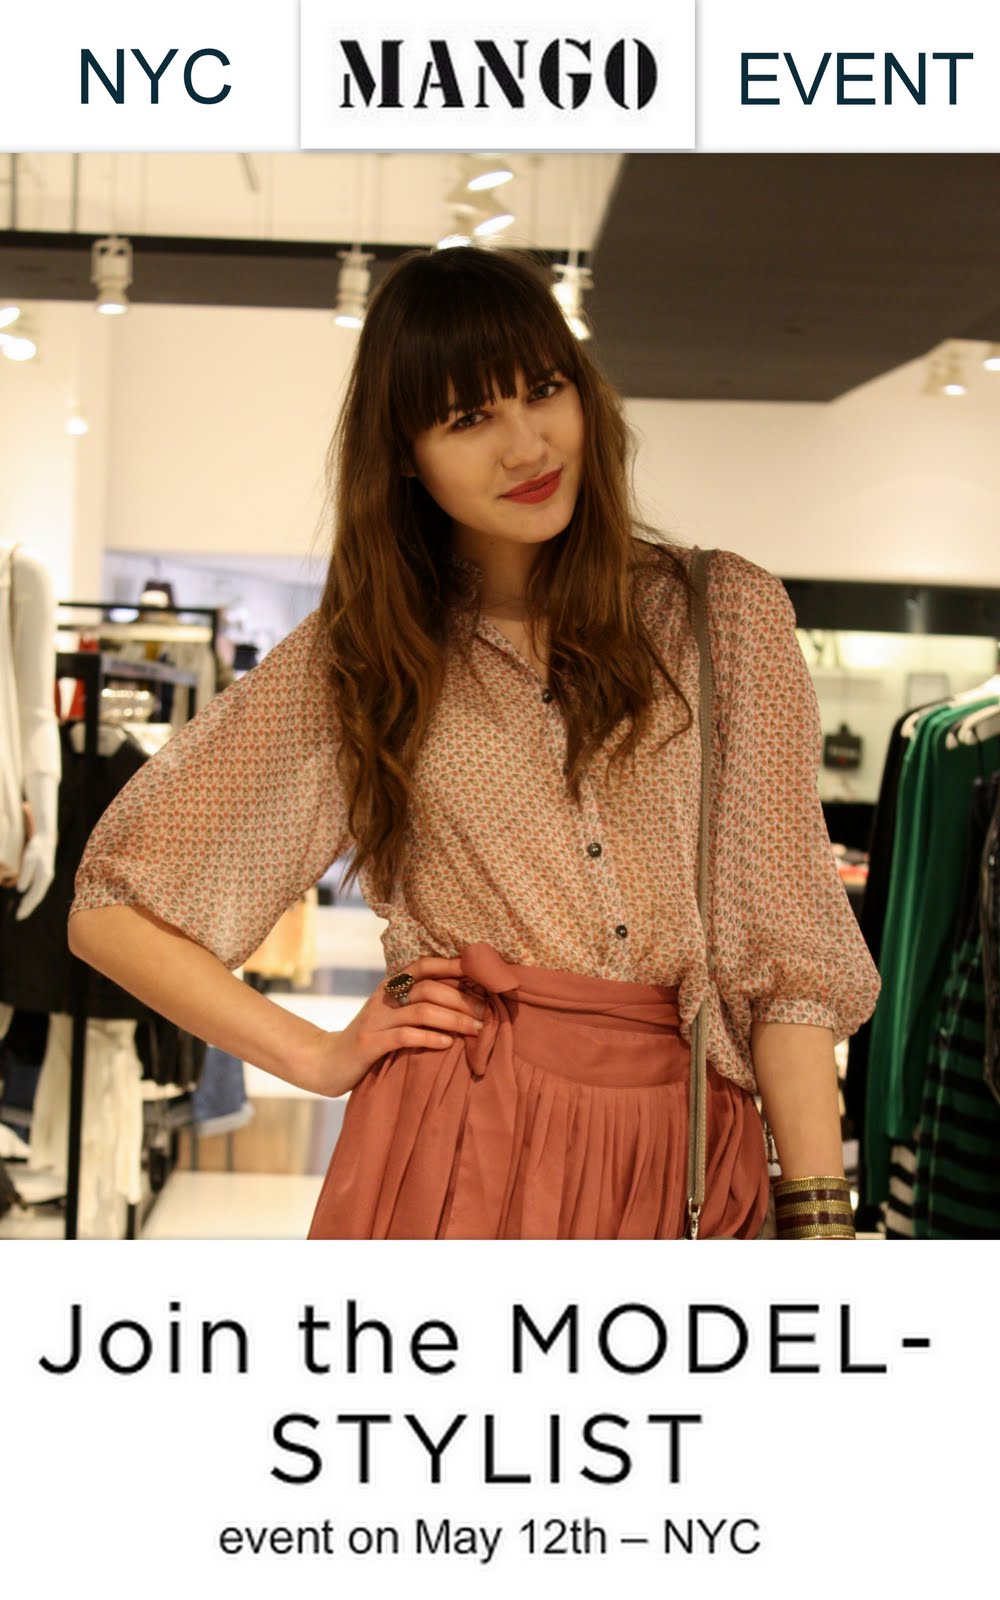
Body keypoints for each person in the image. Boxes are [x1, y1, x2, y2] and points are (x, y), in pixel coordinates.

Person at [68, 245, 880, 1240]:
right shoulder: (365, 655)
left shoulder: (721, 617)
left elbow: (786, 959)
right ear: (406, 453)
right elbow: (111, 910)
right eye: (467, 418)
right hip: (457, 1134)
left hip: (680, 1144)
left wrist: (822, 1224)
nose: (525, 446)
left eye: (543, 390)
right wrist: (316, 1054)